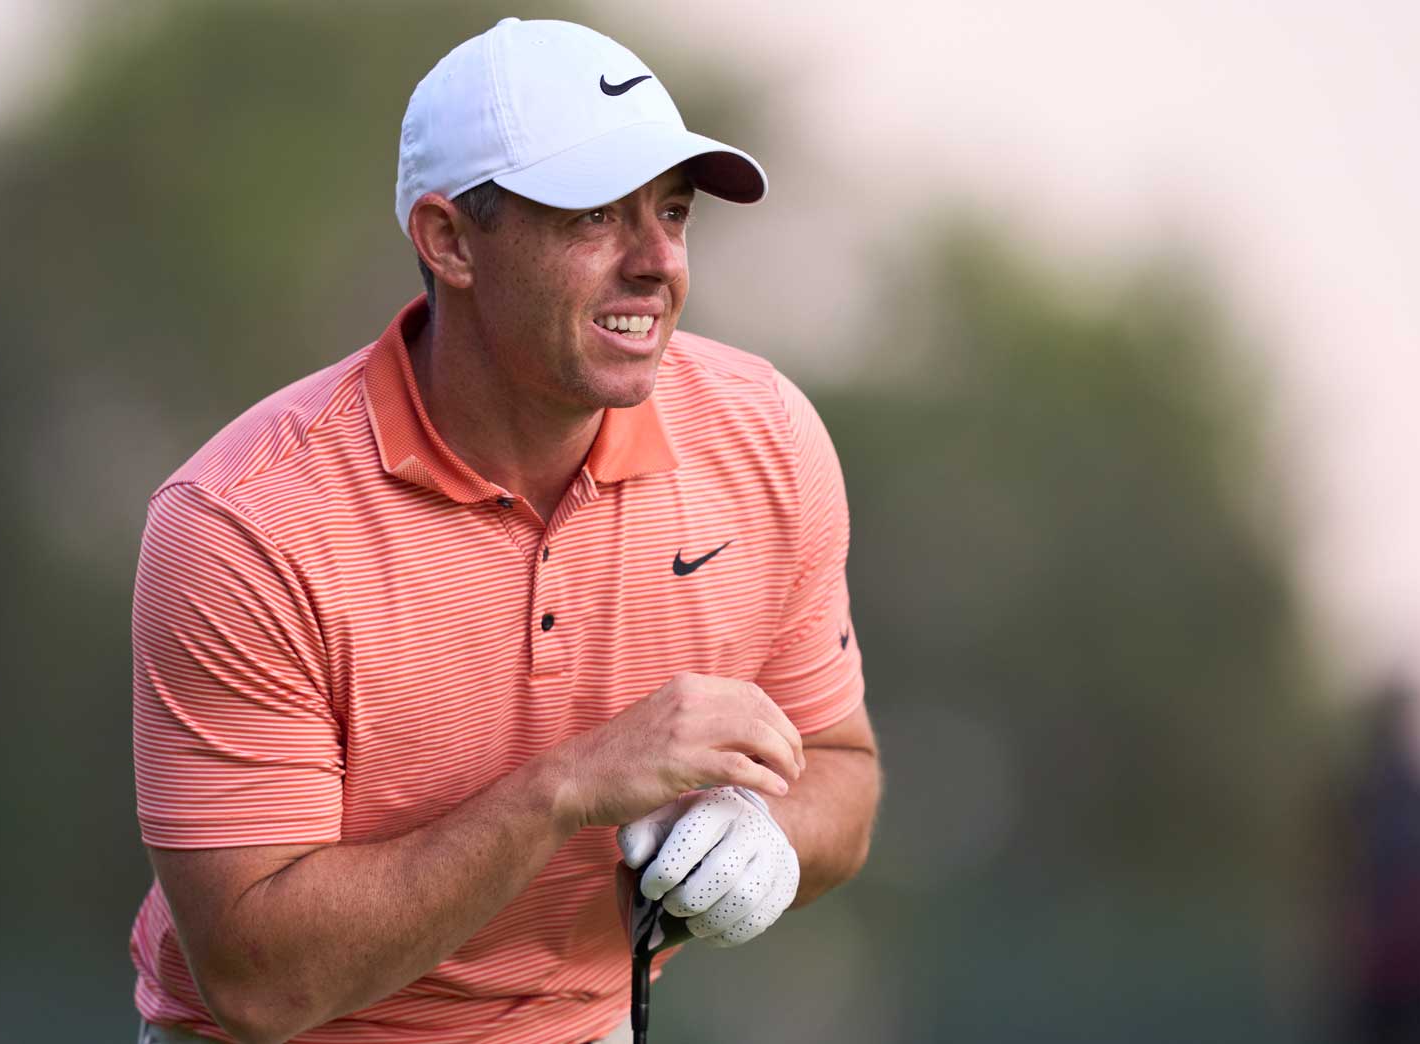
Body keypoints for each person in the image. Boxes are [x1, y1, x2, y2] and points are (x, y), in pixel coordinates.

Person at [127, 18, 881, 1044]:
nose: (657, 262)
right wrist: (567, 788)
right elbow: (261, 986)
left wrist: (763, 840)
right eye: (596, 218)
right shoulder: (246, 523)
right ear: (447, 241)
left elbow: (839, 768)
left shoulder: (766, 440)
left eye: (671, 212)